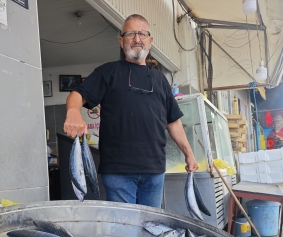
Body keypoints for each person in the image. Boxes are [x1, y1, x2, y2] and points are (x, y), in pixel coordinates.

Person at [63, 14, 198, 209]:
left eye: (142, 34)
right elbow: (76, 95)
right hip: (118, 172)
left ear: (150, 41)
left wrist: (189, 153)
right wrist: (73, 112)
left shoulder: (160, 80)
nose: (137, 39)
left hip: (155, 170)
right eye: (130, 34)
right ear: (121, 41)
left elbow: (173, 121)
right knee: (124, 230)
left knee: (149, 228)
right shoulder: (108, 72)